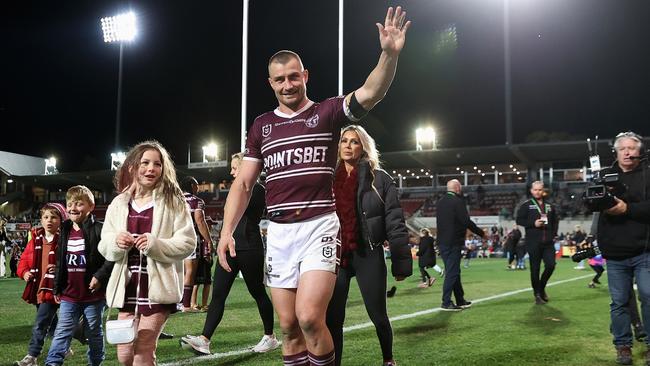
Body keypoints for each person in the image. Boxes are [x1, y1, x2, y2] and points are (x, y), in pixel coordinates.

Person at [216, 6, 410, 366]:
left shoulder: (327, 113)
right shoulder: (261, 126)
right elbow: (243, 184)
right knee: (288, 327)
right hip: (278, 232)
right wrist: (226, 230)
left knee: (309, 318)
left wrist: (388, 54)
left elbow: (371, 92)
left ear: (305, 75)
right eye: (280, 80)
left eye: (294, 77)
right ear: (270, 83)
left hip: (319, 226)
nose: (288, 85)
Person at [99, 141, 196, 365]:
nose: (151, 169)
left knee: (143, 348)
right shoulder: (119, 203)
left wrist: (155, 245)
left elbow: (188, 242)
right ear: (133, 167)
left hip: (158, 286)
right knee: (124, 355)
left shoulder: (174, 201)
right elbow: (104, 245)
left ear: (164, 169)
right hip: (126, 286)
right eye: (145, 163)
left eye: (157, 164)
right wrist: (116, 241)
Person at [325, 125, 412, 366]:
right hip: (337, 255)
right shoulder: (328, 179)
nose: (348, 146)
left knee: (378, 316)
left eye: (354, 141)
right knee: (333, 319)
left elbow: (395, 221)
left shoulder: (380, 179)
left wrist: (401, 263)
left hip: (368, 253)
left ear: (363, 147)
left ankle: (388, 359)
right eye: (344, 141)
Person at [181, 153, 278, 355]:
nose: (231, 171)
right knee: (218, 295)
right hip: (229, 249)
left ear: (246, 167)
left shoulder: (258, 189)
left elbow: (242, 211)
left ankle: (270, 336)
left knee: (258, 293)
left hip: (249, 248)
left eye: (235, 167)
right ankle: (204, 340)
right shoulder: (236, 188)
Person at [586, 132, 650, 365]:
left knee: (649, 296)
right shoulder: (603, 174)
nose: (627, 151)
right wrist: (598, 199)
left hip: (644, 250)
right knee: (619, 302)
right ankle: (623, 346)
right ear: (616, 151)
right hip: (614, 251)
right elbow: (588, 203)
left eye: (632, 147)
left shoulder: (648, 174)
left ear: (640, 151)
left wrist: (626, 209)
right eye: (622, 148)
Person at [45, 186, 114, 366]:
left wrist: (99, 276)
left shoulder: (100, 229)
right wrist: (57, 287)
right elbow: (61, 261)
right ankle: (52, 363)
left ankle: (95, 362)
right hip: (69, 295)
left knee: (94, 333)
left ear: (91, 206)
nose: (73, 208)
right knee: (62, 332)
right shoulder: (64, 230)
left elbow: (112, 257)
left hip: (93, 296)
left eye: (79, 204)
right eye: (70, 204)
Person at [14, 203, 67, 366]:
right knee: (51, 323)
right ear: (41, 220)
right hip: (38, 288)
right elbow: (23, 261)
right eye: (45, 217)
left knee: (41, 323)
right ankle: (67, 343)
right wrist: (24, 273)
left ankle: (32, 356)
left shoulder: (66, 239)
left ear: (61, 220)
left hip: (57, 288)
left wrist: (59, 267)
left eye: (54, 217)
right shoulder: (35, 240)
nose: (49, 220)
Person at [436, 179, 484, 311]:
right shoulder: (457, 202)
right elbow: (466, 221)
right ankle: (446, 302)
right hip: (453, 242)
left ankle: (460, 299)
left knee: (454, 271)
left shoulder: (440, 202)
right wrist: (481, 233)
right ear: (457, 188)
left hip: (442, 242)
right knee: (452, 272)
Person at [515, 181, 559, 305]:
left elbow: (555, 220)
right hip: (533, 242)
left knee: (551, 265)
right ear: (531, 191)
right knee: (535, 269)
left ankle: (541, 287)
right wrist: (533, 224)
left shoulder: (550, 206)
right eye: (535, 190)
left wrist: (553, 233)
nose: (537, 192)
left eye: (540, 190)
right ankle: (537, 294)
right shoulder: (526, 205)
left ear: (543, 190)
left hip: (548, 242)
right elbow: (519, 220)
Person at [180, 176, 213, 312]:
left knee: (181, 273)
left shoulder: (175, 199)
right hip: (190, 238)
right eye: (197, 185)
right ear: (192, 185)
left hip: (174, 238)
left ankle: (179, 302)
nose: (198, 188)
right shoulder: (196, 201)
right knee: (190, 272)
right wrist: (209, 240)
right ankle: (186, 304)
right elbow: (199, 220)